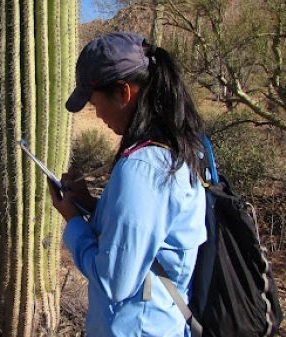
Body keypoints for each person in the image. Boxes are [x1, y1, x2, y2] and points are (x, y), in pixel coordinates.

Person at [48, 32, 207, 336]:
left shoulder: (143, 168)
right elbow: (151, 229)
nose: (96, 113)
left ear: (124, 93)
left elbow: (114, 282)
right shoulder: (175, 149)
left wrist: (72, 220)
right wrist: (90, 203)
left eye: (95, 103)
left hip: (136, 328)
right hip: (160, 321)